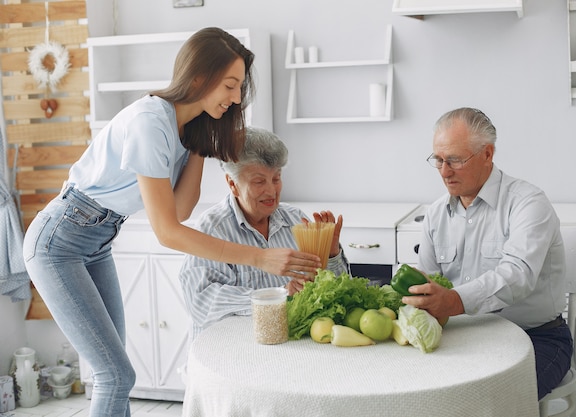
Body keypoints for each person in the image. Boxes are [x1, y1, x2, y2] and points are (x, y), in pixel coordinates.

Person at [22, 28, 321, 417]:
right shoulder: (150, 122)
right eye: (229, 86)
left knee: (113, 372)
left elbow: (181, 209)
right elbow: (168, 231)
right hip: (58, 243)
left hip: (96, 242)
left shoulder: (183, 128)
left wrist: (200, 143)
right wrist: (259, 259)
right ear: (198, 78)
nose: (235, 98)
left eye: (239, 88)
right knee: (115, 374)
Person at [404, 107, 572, 400]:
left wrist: (455, 300)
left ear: (487, 154)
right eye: (439, 160)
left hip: (537, 337)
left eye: (455, 159)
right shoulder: (435, 214)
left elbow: (518, 275)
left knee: (489, 401)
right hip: (463, 335)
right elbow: (428, 285)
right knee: (419, 396)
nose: (444, 171)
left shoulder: (528, 203)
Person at [179, 127, 350, 341]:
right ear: (232, 184)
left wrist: (331, 254)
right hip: (230, 351)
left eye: (276, 178)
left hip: (285, 347)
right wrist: (278, 296)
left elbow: (334, 293)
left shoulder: (295, 220)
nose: (271, 191)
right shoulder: (212, 229)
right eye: (259, 181)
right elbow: (201, 302)